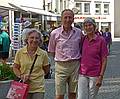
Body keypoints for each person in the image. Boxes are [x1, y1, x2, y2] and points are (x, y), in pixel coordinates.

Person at [48, 9, 83, 99]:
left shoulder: (79, 33)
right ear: (61, 19)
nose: (68, 20)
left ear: (73, 19)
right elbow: (51, 51)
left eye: (70, 17)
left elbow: (82, 48)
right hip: (61, 66)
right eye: (65, 17)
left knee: (73, 94)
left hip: (75, 65)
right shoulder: (54, 33)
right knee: (59, 95)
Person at [13, 28, 50, 99]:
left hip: (38, 87)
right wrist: (21, 76)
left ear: (40, 40)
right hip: (23, 85)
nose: (34, 40)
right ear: (27, 39)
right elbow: (15, 67)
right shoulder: (20, 52)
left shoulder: (43, 54)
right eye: (32, 38)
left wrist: (37, 76)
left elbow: (46, 69)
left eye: (37, 38)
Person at [78, 17, 108, 99]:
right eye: (86, 26)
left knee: (92, 97)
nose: (88, 27)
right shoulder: (83, 39)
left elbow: (104, 59)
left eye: (90, 25)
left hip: (95, 74)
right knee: (81, 97)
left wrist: (101, 77)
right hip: (82, 73)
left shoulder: (101, 40)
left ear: (94, 26)